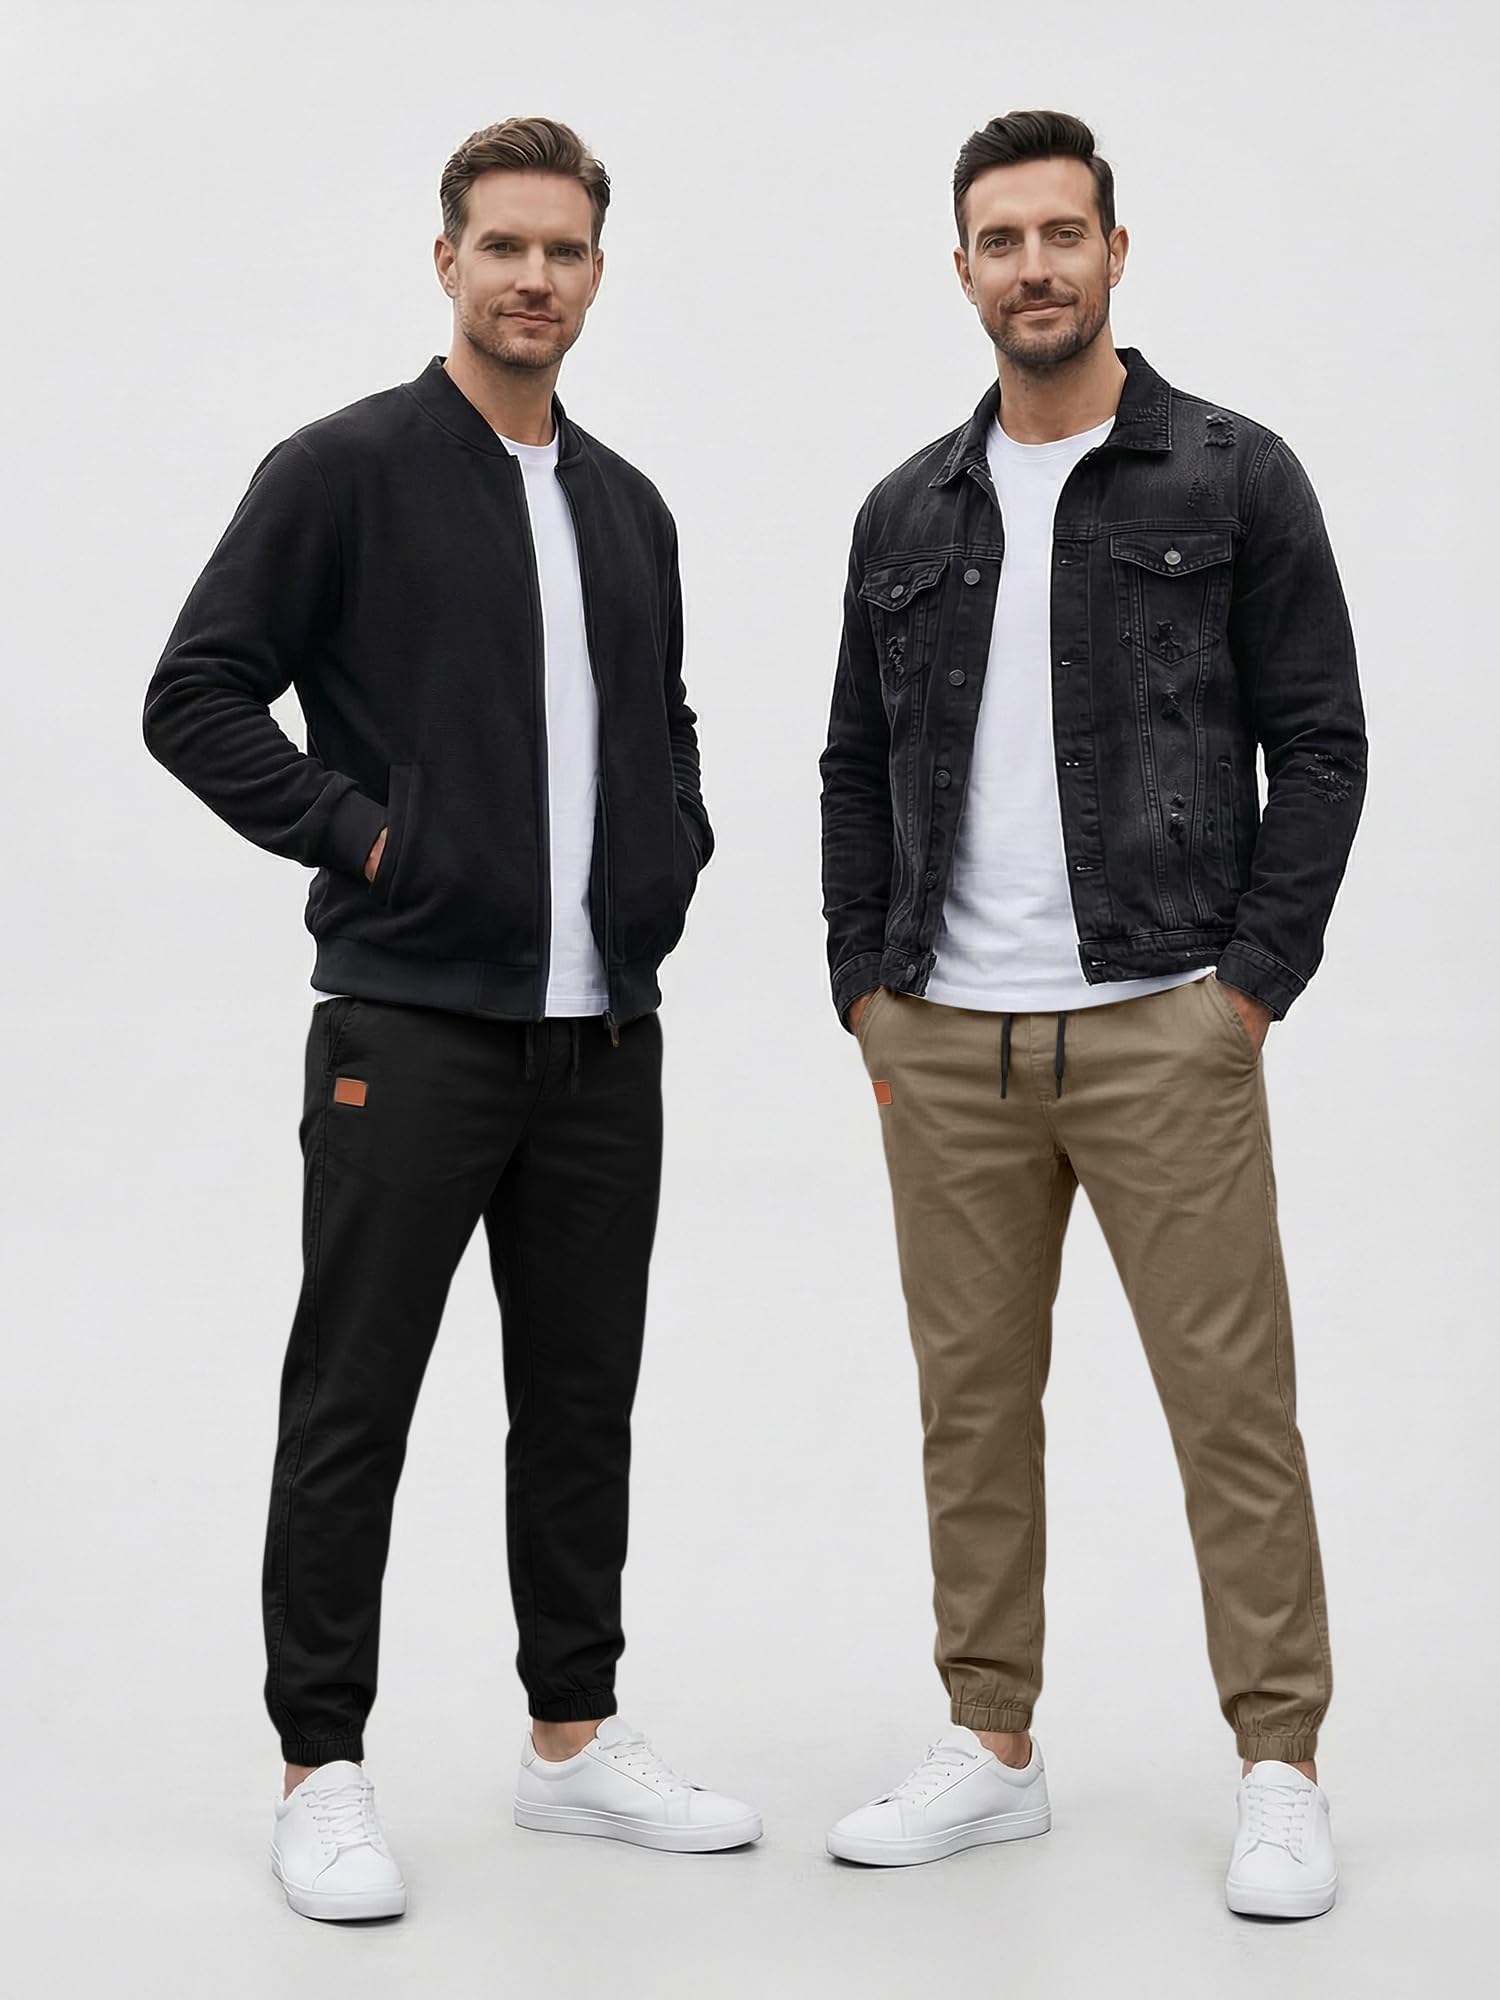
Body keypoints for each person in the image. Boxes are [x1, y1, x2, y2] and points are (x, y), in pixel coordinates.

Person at [143, 115, 761, 1923]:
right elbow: (196, 694)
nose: (533, 279)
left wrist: (668, 854)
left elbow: (661, 722)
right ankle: (319, 1770)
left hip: (603, 1039)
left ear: (597, 274)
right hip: (409, 1026)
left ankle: (572, 1742)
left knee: (581, 1405)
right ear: (446, 262)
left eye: (564, 252)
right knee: (354, 1401)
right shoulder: (344, 470)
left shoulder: (626, 504)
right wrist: (368, 834)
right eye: (504, 247)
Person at [818, 109, 1364, 1919]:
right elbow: (852, 763)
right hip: (945, 1035)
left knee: (1233, 1410)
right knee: (970, 1412)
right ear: (962, 268)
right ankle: (992, 1747)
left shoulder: (1232, 475)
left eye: (1064, 233)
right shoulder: (908, 509)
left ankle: (1280, 1766)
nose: (1035, 265)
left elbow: (1323, 743)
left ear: (1116, 253)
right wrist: (866, 991)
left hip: (1162, 1022)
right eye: (1003, 238)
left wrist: (1248, 991)